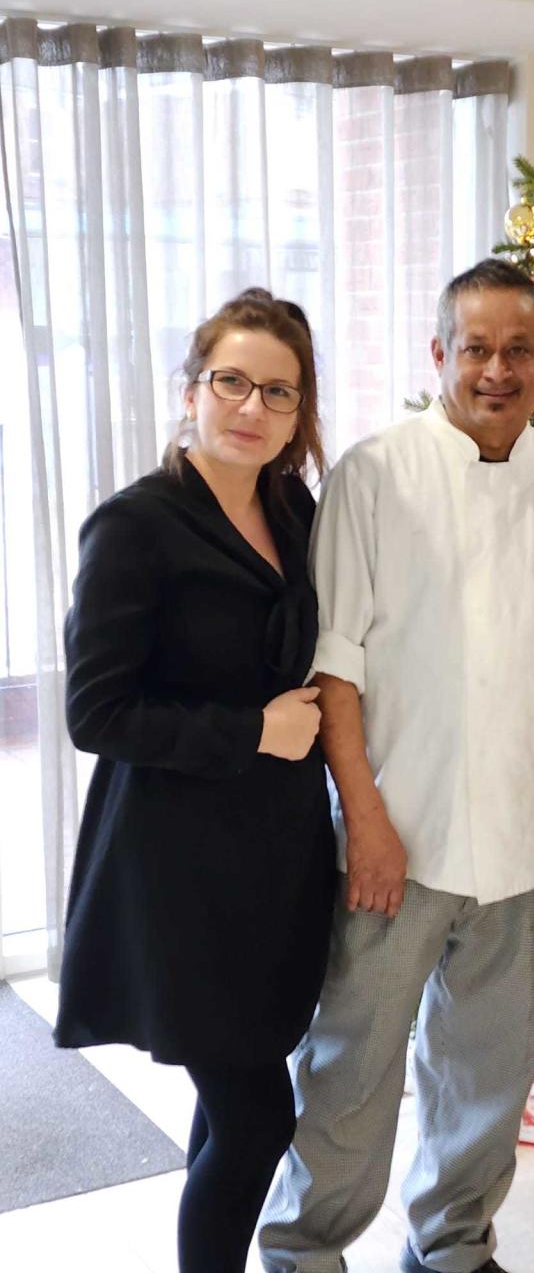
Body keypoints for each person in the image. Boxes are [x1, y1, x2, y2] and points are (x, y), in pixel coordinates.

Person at [259, 259, 534, 1273]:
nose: (495, 369)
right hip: (396, 836)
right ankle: (303, 1249)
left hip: (520, 835)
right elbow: (339, 667)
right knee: (350, 1069)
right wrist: (364, 818)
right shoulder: (375, 474)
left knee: (489, 1074)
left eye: (517, 349)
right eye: (475, 347)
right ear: (438, 355)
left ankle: (454, 1245)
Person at [54, 288, 338, 1273]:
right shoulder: (134, 527)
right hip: (178, 870)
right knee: (260, 1112)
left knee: (236, 1107)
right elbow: (96, 713)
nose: (252, 407)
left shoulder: (291, 504)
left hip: (277, 857)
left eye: (279, 391)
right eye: (232, 381)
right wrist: (250, 728)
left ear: (300, 411)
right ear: (191, 389)